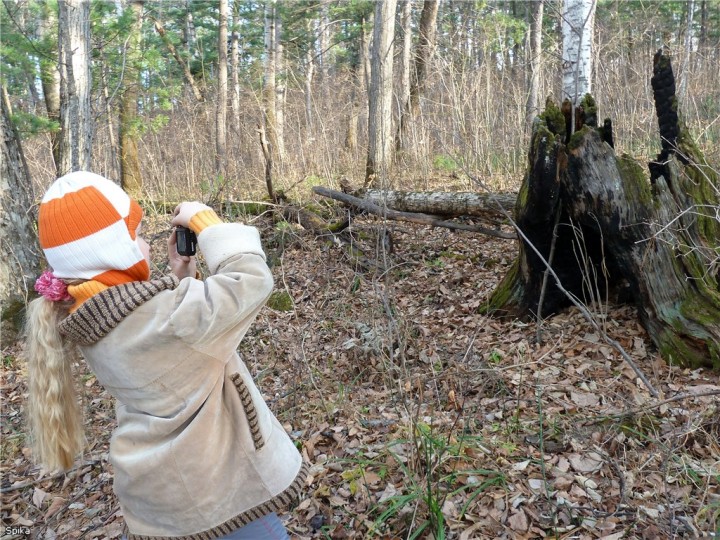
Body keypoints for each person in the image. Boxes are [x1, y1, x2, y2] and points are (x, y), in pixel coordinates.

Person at [25, 171, 308, 539]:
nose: (146, 244)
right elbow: (251, 279)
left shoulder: (89, 318)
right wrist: (206, 223)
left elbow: (179, 350)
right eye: (138, 235)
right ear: (114, 249)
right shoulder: (170, 318)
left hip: (164, 498)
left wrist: (183, 277)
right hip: (219, 495)